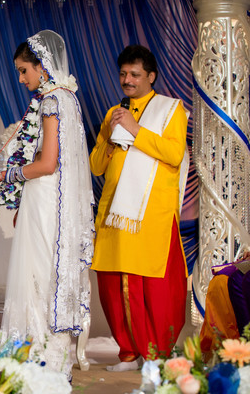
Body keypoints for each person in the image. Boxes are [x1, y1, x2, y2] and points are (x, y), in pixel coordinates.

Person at [0, 30, 95, 378]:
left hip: (46, 200)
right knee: (47, 276)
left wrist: (8, 175)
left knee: (37, 277)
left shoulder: (50, 102)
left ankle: (37, 364)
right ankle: (52, 363)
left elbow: (47, 163)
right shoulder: (68, 97)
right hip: (53, 199)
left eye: (23, 70)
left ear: (42, 67)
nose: (20, 78)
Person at [89, 45, 189, 371]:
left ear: (151, 76)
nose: (127, 80)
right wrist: (110, 142)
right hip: (115, 212)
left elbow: (173, 155)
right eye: (123, 74)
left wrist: (135, 131)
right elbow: (96, 166)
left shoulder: (171, 110)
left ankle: (156, 354)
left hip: (150, 213)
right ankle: (129, 352)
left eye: (134, 74)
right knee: (113, 284)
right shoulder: (113, 113)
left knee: (152, 287)